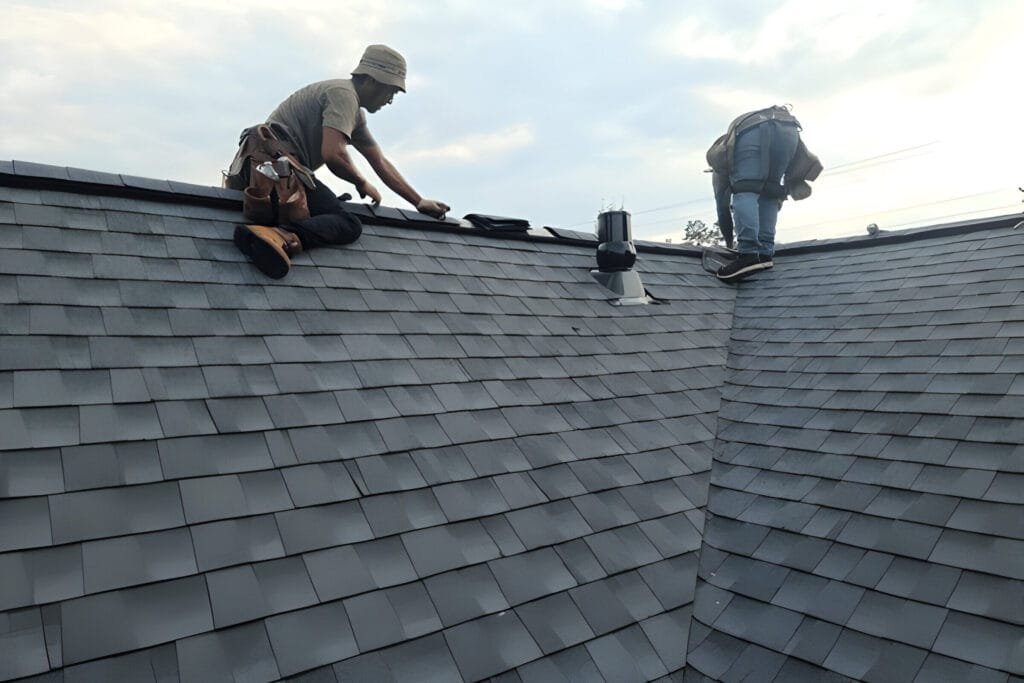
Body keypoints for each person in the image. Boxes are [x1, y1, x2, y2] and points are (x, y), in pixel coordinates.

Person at [226, 44, 450, 278]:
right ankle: (278, 237)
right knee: (347, 223)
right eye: (391, 91)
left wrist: (418, 201)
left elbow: (380, 161)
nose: (390, 100)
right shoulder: (343, 95)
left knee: (327, 211)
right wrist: (361, 182)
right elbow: (333, 155)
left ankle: (272, 235)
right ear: (372, 81)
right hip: (277, 168)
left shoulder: (353, 112)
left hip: (269, 169)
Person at [706, 104, 819, 282]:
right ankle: (764, 254)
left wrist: (731, 244)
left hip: (753, 130)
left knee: (745, 189)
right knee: (771, 190)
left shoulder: (723, 166)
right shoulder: (731, 146)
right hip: (789, 130)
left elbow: (722, 208)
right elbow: (772, 194)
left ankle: (749, 254)